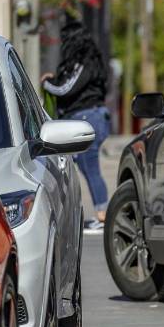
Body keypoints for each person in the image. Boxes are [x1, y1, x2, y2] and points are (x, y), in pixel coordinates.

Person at [41, 20, 110, 234]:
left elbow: (66, 89)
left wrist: (46, 84)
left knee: (90, 166)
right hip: (89, 116)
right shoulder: (88, 61)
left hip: (88, 117)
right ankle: (100, 213)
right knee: (82, 167)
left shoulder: (84, 62)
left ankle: (103, 214)